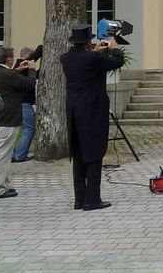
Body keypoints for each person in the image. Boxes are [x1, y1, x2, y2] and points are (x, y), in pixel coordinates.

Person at [60, 24, 124, 211]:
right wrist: (115, 48)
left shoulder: (66, 58)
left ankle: (79, 199)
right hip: (92, 109)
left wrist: (95, 52)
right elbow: (116, 62)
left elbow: (87, 63)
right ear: (88, 41)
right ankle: (92, 199)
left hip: (74, 109)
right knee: (94, 152)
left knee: (79, 153)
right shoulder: (93, 57)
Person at [0, 46, 37, 200]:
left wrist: (17, 70)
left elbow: (7, 80)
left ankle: (4, 184)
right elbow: (29, 84)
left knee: (2, 154)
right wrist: (31, 69)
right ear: (9, 59)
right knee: (2, 156)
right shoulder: (8, 75)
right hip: (8, 119)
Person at [12, 45, 42, 163]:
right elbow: (38, 53)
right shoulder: (23, 64)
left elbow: (36, 75)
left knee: (24, 129)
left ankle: (16, 154)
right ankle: (19, 155)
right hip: (24, 103)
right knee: (29, 129)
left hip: (19, 103)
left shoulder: (19, 67)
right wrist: (42, 48)